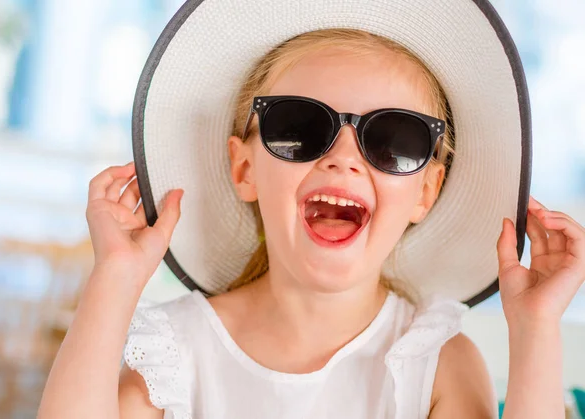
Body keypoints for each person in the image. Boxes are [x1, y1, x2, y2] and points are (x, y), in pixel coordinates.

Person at [38, 1, 585, 418]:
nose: (344, 158)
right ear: (245, 168)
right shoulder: (175, 355)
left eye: (395, 139)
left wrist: (536, 327)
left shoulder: (434, 363)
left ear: (426, 191)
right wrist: (114, 277)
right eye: (299, 128)